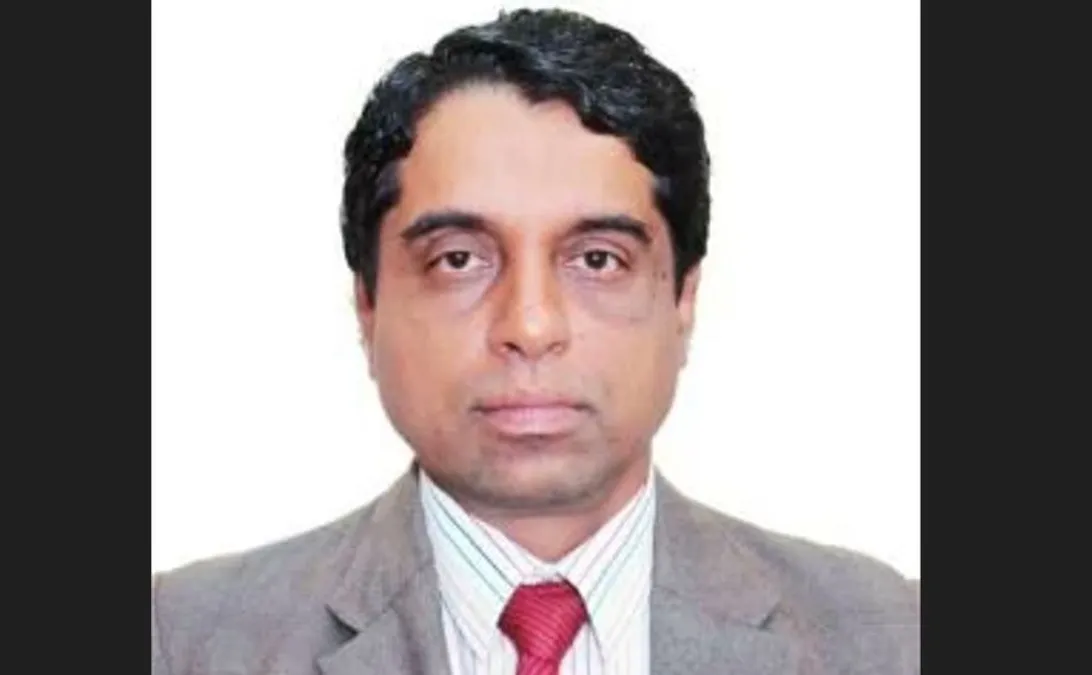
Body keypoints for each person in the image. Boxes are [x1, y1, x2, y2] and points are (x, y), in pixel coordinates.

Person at [151, 7, 919, 675]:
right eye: (459, 260)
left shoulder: (891, 636)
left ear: (682, 299)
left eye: (598, 260)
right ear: (367, 305)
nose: (530, 325)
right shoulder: (183, 640)